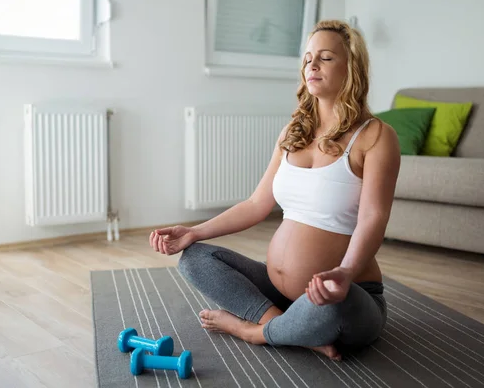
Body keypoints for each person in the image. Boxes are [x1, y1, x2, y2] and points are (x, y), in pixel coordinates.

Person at [148, 19, 401, 361]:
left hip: (344, 295)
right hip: (283, 293)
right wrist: (193, 231)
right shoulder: (292, 133)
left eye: (325, 57)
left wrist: (345, 272)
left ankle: (253, 330)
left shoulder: (375, 136)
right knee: (195, 259)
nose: (312, 64)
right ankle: (283, 326)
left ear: (351, 67)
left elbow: (374, 217)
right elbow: (256, 204)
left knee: (332, 306)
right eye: (308, 57)